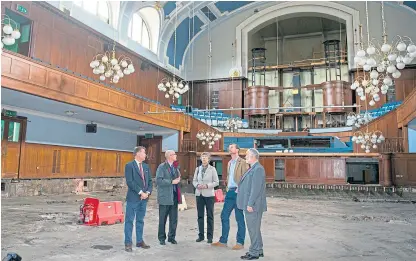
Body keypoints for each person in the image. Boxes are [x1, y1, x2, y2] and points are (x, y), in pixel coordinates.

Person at [212, 144, 249, 250]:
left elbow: (246, 178)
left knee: (239, 217)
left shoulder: (243, 162)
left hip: (239, 193)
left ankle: (240, 242)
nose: (230, 148)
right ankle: (223, 241)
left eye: (232, 147)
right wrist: (228, 188)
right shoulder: (229, 163)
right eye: (229, 147)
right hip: (230, 192)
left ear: (237, 149)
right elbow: (229, 177)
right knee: (224, 216)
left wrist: (240, 189)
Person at [237, 148, 267, 260]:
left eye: (247, 155)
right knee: (255, 229)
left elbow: (256, 189)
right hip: (252, 204)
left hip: (253, 205)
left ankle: (254, 252)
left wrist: (250, 204)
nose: (245, 157)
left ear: (253, 157)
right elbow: (249, 185)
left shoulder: (258, 169)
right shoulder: (253, 168)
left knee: (252, 229)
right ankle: (258, 250)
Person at [124, 146, 153, 252]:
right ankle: (128, 243)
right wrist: (140, 192)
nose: (146, 155)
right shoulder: (129, 166)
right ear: (138, 153)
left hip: (144, 198)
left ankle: (139, 241)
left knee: (140, 220)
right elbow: (130, 182)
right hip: (133, 198)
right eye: (144, 152)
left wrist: (147, 193)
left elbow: (150, 181)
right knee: (129, 221)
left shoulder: (146, 166)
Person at [192, 152, 219, 243]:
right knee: (200, 216)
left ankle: (210, 237)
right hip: (199, 195)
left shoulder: (213, 169)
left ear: (209, 159)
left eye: (205, 157)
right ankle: (201, 236)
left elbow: (216, 182)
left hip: (209, 195)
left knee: (210, 216)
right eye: (202, 157)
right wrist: (197, 185)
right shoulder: (197, 169)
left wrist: (207, 186)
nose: (204, 158)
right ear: (200, 158)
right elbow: (194, 180)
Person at [156, 150, 181, 245]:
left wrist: (178, 179)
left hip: (174, 196)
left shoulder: (175, 167)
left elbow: (177, 179)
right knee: (163, 219)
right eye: (174, 154)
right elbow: (159, 181)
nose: (176, 155)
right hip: (165, 197)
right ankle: (162, 238)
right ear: (169, 156)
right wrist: (171, 182)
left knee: (174, 219)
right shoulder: (162, 167)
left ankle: (172, 237)